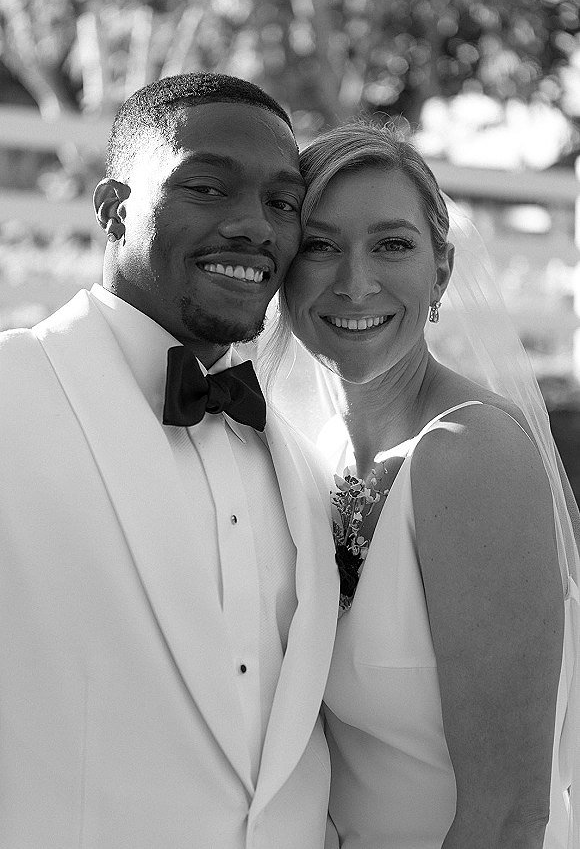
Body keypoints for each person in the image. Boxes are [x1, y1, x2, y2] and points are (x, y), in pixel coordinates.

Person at [0, 72, 340, 848]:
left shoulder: (303, 456)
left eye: (282, 202)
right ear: (113, 209)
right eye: (208, 188)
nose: (256, 227)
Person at [262, 120, 580, 849]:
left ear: (441, 271)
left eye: (392, 244)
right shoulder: (312, 447)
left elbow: (507, 819)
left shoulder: (471, 455)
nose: (355, 281)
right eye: (320, 245)